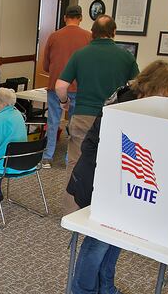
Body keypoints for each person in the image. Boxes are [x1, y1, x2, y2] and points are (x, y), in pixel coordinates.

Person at [67, 61, 168, 294]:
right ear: (155, 87)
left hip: (118, 180)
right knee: (99, 239)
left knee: (118, 235)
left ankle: (104, 285)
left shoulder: (140, 104)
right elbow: (113, 147)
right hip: (99, 178)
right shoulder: (125, 105)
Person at [55, 15, 139, 215]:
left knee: (76, 162)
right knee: (109, 164)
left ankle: (71, 211)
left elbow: (60, 86)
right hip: (113, 119)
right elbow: (137, 87)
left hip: (84, 115)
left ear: (92, 33)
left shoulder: (80, 54)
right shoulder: (126, 56)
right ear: (114, 32)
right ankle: (102, 209)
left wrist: (64, 102)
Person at [40, 5, 92, 169]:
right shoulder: (88, 37)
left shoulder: (54, 36)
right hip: (77, 87)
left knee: (53, 121)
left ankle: (47, 157)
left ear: (64, 17)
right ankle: (70, 158)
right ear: (81, 18)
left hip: (56, 85)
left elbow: (46, 65)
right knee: (75, 123)